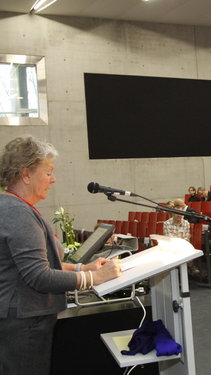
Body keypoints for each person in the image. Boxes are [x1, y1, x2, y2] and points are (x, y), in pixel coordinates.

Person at [0, 136, 121, 375]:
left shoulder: (13, 206)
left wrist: (83, 269)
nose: (53, 179)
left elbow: (36, 265)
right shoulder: (17, 213)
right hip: (23, 322)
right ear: (26, 174)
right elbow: (39, 276)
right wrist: (94, 279)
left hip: (21, 318)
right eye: (48, 173)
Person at [164, 201, 201, 277]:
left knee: (187, 248)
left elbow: (186, 238)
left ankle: (188, 267)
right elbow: (170, 238)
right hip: (172, 247)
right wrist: (178, 242)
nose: (179, 215)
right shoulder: (167, 223)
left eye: (181, 213)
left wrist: (180, 242)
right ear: (173, 213)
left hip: (183, 245)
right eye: (177, 213)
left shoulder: (186, 223)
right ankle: (190, 266)